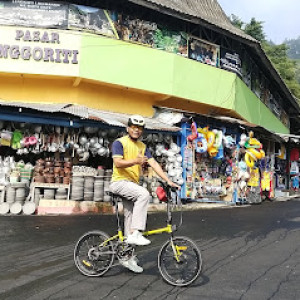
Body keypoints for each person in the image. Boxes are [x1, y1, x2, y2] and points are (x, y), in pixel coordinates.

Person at [110, 114, 179, 273]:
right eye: (133, 127)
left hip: (131, 185)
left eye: (139, 128)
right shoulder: (119, 143)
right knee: (144, 194)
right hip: (119, 183)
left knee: (130, 218)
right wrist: (135, 161)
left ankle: (126, 257)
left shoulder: (142, 147)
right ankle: (136, 232)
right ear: (128, 128)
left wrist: (168, 180)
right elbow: (117, 162)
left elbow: (153, 163)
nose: (136, 130)